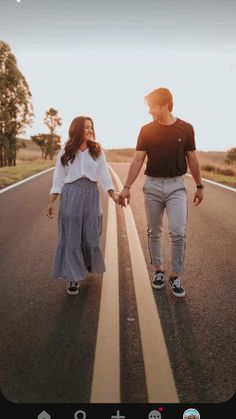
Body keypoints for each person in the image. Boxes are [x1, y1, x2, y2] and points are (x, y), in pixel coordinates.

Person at [118, 88, 204, 297]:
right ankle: (158, 270)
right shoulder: (146, 130)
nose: (149, 111)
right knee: (154, 231)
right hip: (153, 186)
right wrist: (127, 186)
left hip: (176, 186)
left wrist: (200, 186)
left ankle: (175, 275)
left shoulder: (186, 128)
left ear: (165, 105)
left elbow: (192, 158)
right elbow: (138, 159)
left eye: (152, 106)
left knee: (177, 231)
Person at [46, 116, 118, 295]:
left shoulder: (97, 152)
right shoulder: (65, 152)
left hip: (92, 195)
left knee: (91, 234)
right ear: (77, 129)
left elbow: (105, 176)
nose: (90, 130)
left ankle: (84, 265)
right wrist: (52, 202)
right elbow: (58, 179)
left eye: (91, 127)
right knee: (71, 235)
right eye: (86, 127)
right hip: (71, 194)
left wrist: (112, 194)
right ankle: (72, 277)